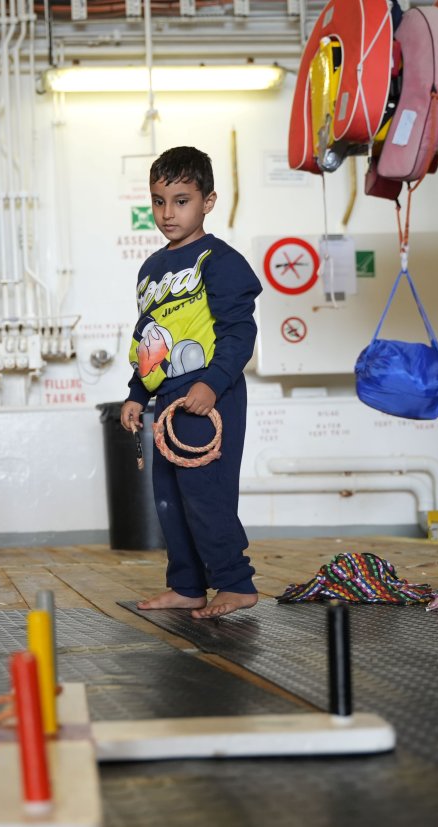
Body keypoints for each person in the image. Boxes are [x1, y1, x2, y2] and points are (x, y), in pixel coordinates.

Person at [119, 146, 261, 619]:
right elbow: (148, 341)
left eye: (181, 200)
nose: (168, 213)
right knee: (170, 497)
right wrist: (137, 393)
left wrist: (213, 384)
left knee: (205, 493)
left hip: (208, 395)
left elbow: (241, 333)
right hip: (168, 397)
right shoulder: (151, 269)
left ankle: (235, 584)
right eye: (159, 201)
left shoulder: (221, 261)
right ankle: (187, 586)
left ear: (208, 201)